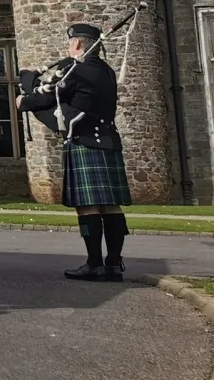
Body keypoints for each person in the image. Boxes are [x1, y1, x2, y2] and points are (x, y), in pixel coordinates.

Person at [16, 23, 130, 282]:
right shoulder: (107, 71)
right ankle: (113, 265)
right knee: (111, 206)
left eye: (70, 44)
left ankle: (93, 264)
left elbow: (51, 97)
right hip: (109, 141)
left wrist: (25, 98)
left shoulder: (78, 70)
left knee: (87, 206)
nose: (68, 48)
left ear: (78, 44)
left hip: (84, 141)